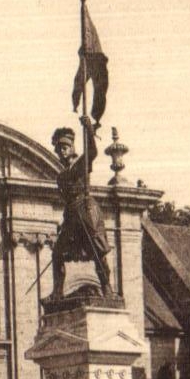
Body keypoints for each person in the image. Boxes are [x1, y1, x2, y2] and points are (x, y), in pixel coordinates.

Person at [50, 116, 112, 299]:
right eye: (58, 149)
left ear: (72, 149)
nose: (61, 152)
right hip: (71, 217)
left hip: (86, 211)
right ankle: (57, 292)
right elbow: (66, 201)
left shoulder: (81, 165)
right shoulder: (60, 177)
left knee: (97, 252)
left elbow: (92, 151)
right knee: (57, 254)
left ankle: (107, 287)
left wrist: (89, 130)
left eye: (64, 148)